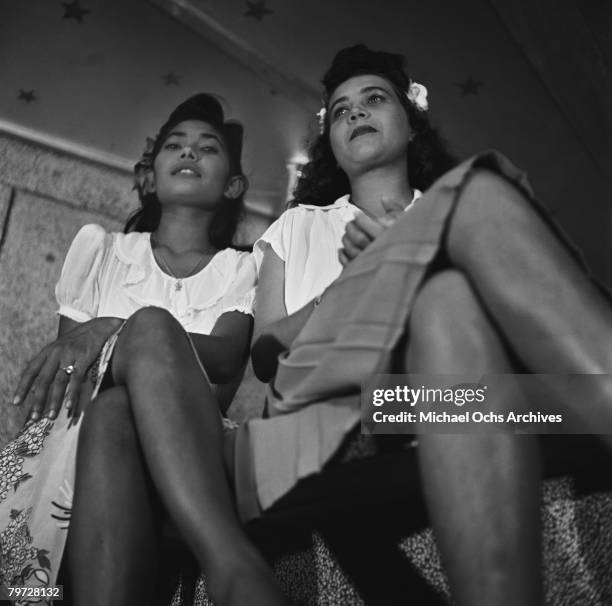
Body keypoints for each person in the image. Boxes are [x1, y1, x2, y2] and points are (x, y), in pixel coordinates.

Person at [243, 45, 612, 606]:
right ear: (331, 149)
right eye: (341, 111)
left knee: (445, 300)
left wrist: (411, 255)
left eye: (374, 99)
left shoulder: (436, 208)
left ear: (412, 125)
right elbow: (265, 352)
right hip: (328, 408)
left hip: (426, 400)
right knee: (481, 191)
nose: (357, 113)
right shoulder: (300, 225)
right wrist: (355, 283)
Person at [1, 94, 289, 606]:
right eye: (175, 145)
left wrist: (117, 326)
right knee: (112, 406)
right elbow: (72, 370)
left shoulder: (243, 268)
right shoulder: (103, 249)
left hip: (188, 449)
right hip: (80, 434)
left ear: (233, 184)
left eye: (207, 148)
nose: (189, 153)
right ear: (150, 176)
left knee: (150, 330)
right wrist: (120, 334)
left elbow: (224, 359)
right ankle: (234, 568)